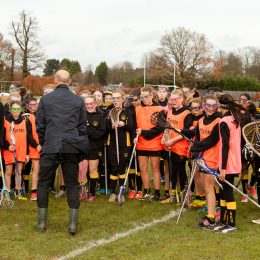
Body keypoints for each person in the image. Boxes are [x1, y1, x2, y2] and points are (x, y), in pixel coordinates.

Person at [36, 70, 89, 235]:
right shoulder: (78, 100)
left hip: (51, 145)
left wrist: (45, 142)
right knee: (72, 183)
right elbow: (82, 127)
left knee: (44, 183)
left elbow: (40, 125)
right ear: (69, 81)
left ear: (55, 80)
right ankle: (72, 226)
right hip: (70, 146)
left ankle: (41, 224)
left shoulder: (45, 99)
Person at [213, 94, 244, 233]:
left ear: (220, 106)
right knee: (223, 191)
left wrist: (223, 168)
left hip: (228, 162)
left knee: (227, 192)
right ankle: (223, 221)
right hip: (234, 160)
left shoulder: (224, 121)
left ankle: (232, 224)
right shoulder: (235, 119)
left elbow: (225, 146)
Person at [190, 94, 221, 229]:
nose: (210, 108)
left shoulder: (219, 121)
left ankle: (211, 217)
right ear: (203, 106)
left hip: (213, 157)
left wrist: (195, 147)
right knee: (206, 187)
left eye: (213, 105)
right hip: (202, 157)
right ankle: (211, 212)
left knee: (209, 187)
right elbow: (197, 138)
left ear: (216, 107)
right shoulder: (201, 120)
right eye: (207, 105)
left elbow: (212, 140)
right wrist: (196, 153)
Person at [161, 88, 191, 204]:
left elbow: (185, 132)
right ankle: (172, 194)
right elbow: (167, 127)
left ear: (182, 99)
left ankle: (184, 194)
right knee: (172, 170)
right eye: (171, 99)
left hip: (180, 147)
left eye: (175, 99)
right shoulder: (169, 111)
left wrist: (172, 141)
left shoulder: (187, 113)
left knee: (180, 171)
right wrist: (165, 136)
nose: (173, 101)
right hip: (169, 146)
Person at [3, 101, 37, 200]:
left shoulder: (24, 121)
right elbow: (3, 137)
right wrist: (7, 146)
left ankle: (18, 192)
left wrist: (27, 153)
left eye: (18, 109)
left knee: (18, 172)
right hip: (9, 150)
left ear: (21, 110)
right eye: (14, 109)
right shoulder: (6, 121)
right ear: (10, 110)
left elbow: (27, 138)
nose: (16, 111)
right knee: (9, 171)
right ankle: (8, 192)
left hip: (21, 150)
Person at [135, 86, 163, 201]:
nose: (144, 99)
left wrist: (145, 133)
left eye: (146, 96)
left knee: (155, 168)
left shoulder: (160, 108)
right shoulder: (137, 109)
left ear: (152, 95)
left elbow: (159, 127)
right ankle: (146, 191)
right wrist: (136, 135)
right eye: (142, 97)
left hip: (155, 143)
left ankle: (157, 192)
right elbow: (135, 126)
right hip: (141, 143)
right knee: (143, 168)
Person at [106, 89, 133, 202]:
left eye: (118, 98)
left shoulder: (127, 112)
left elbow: (131, 127)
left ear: (122, 100)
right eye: (114, 99)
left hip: (124, 144)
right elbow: (105, 128)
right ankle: (113, 192)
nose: (116, 100)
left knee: (122, 168)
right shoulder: (109, 112)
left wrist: (124, 124)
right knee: (114, 168)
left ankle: (121, 192)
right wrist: (111, 126)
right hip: (112, 144)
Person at [81, 95, 105, 202]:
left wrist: (88, 129)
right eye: (87, 104)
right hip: (82, 146)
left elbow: (100, 134)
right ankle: (83, 192)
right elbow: (79, 131)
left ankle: (92, 193)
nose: (89, 106)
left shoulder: (100, 116)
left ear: (95, 103)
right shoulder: (81, 116)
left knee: (92, 170)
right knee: (82, 170)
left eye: (91, 103)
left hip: (95, 147)